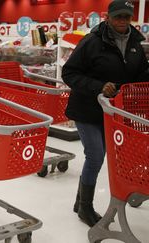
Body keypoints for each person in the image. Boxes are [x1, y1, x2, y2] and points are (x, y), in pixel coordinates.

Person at [62, 0, 149, 227]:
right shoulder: (92, 41)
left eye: (126, 17)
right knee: (96, 155)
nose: (122, 21)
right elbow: (69, 73)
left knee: (116, 156)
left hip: (115, 113)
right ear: (108, 17)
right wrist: (98, 86)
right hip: (87, 108)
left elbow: (139, 75)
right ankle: (86, 208)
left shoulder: (135, 44)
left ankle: (79, 200)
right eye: (117, 16)